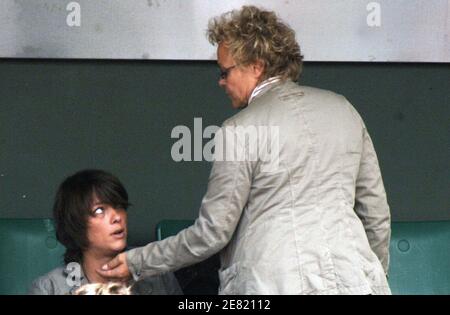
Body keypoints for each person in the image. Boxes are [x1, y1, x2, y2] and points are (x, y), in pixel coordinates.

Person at [99, 6, 392, 295]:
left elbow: (211, 234)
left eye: (225, 71)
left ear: (256, 65)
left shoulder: (239, 129)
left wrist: (137, 261)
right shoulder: (344, 109)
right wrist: (370, 274)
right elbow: (376, 216)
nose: (221, 81)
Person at [28, 169, 182, 295]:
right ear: (76, 224)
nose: (116, 217)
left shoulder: (157, 274)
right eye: (100, 210)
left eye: (119, 206)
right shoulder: (49, 289)